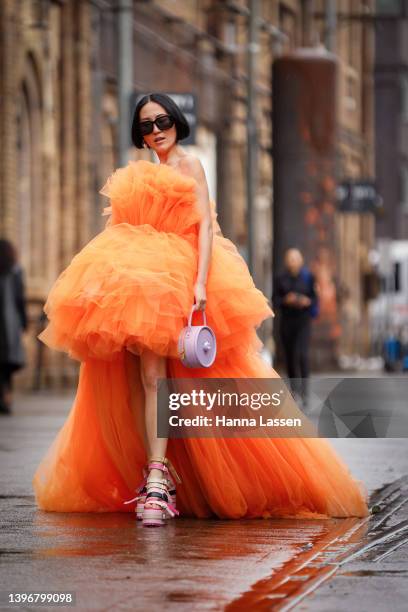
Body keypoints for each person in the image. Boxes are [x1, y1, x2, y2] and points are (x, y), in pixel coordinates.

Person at [32, 93, 369, 526]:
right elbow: (119, 227)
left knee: (187, 383)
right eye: (146, 126)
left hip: (180, 278)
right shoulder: (136, 177)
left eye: (162, 120)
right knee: (144, 378)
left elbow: (206, 226)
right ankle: (156, 475)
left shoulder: (191, 166)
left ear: (176, 120)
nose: (156, 131)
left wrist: (199, 282)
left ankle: (165, 478)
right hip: (139, 285)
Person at [273, 248, 318, 409]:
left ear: (301, 261)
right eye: (290, 258)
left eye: (295, 258)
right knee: (290, 356)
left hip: (303, 320)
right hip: (287, 321)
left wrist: (306, 301)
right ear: (286, 261)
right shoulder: (280, 278)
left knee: (302, 354)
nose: (293, 261)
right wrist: (287, 299)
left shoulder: (308, 278)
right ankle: (294, 390)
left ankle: (305, 390)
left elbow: (314, 299)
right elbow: (275, 300)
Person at [0, 239, 28, 415]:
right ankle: (7, 397)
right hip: (9, 323)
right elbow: (20, 299)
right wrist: (23, 322)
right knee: (7, 364)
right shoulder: (15, 271)